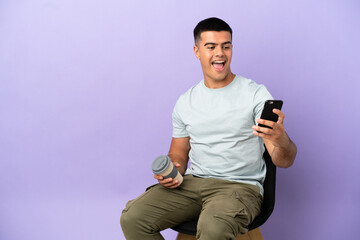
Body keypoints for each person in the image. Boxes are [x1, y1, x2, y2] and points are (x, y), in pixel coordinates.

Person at [120, 17, 297, 240]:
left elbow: (284, 160)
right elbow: (178, 153)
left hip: (239, 187)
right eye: (211, 46)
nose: (220, 53)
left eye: (226, 46)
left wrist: (281, 140)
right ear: (197, 51)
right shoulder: (186, 101)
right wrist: (173, 167)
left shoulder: (255, 94)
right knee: (133, 218)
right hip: (193, 184)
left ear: (232, 49)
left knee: (213, 228)